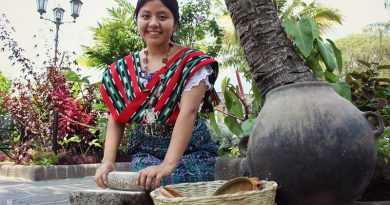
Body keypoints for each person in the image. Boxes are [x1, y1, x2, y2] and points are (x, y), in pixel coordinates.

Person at [94, 0, 220, 191]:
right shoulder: (122, 69)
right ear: (136, 20)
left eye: (162, 17)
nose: (153, 23)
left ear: (175, 23)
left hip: (192, 152)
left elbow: (189, 112)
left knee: (173, 182)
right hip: (146, 152)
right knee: (145, 181)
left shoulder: (192, 63)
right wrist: (107, 162)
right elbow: (117, 116)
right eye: (145, 16)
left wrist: (168, 165)